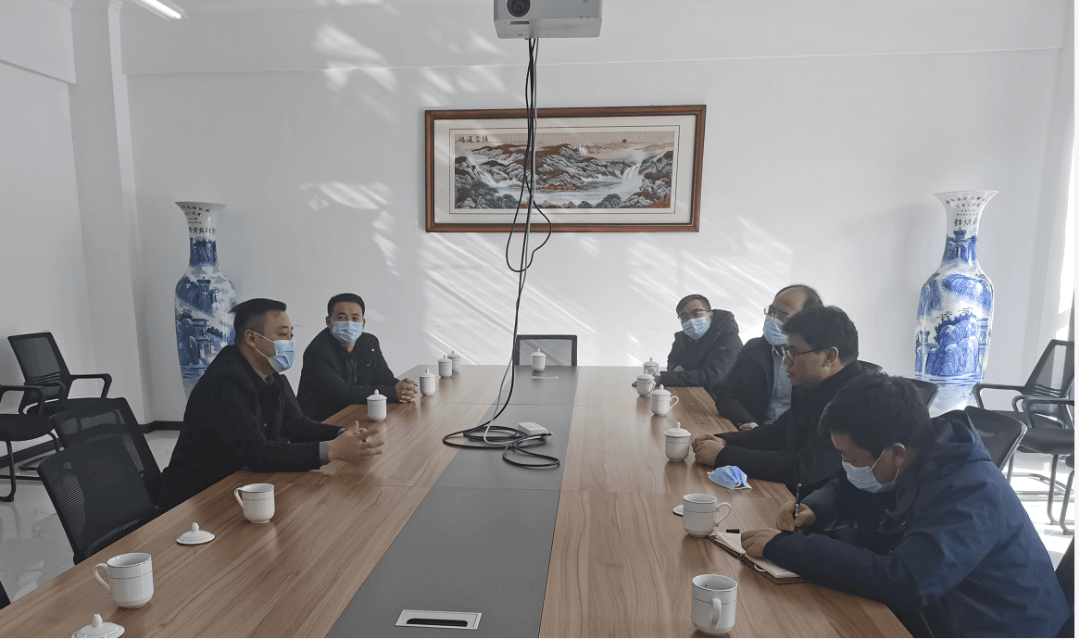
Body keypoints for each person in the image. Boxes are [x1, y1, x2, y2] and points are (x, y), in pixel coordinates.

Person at [739, 375, 1070, 638]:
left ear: (895, 452)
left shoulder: (970, 493)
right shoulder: (917, 452)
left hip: (999, 627)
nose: (846, 466)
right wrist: (815, 508)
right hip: (944, 609)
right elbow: (849, 486)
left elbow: (903, 582)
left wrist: (787, 547)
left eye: (849, 458)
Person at [158, 298, 385, 511]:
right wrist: (332, 450)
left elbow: (296, 424)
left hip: (242, 485)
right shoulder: (223, 383)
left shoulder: (271, 375)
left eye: (291, 335)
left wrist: (342, 434)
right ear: (251, 338)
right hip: (195, 498)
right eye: (283, 335)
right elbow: (255, 451)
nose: (290, 343)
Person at [691, 305, 865, 495]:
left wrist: (723, 455)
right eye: (786, 351)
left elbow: (803, 469)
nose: (786, 361)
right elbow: (779, 433)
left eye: (793, 352)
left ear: (829, 356)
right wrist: (725, 441)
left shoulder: (856, 402)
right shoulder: (816, 384)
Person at [711, 284, 823, 430]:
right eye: (771, 311)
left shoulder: (818, 361)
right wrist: (749, 423)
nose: (772, 319)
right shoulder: (754, 348)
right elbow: (726, 395)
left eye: (783, 315)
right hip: (757, 433)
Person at [297, 293, 417, 421]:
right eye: (341, 318)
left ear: (363, 323)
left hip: (356, 413)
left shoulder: (370, 343)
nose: (349, 323)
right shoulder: (317, 352)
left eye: (355, 318)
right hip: (322, 422)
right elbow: (342, 393)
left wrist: (403, 387)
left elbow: (384, 377)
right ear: (329, 321)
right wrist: (393, 392)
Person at [658, 294, 742, 389]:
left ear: (710, 315)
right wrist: (674, 367)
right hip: (691, 391)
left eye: (696, 314)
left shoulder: (729, 338)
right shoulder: (682, 338)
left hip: (721, 395)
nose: (691, 320)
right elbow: (672, 360)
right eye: (685, 317)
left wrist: (663, 379)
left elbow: (712, 377)